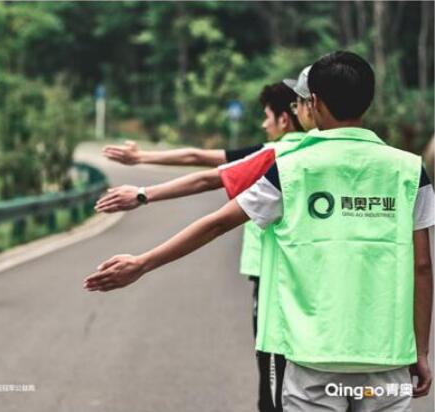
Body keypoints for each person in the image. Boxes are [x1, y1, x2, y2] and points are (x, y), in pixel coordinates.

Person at [85, 51, 433, 411]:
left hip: (312, 356)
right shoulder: (410, 170)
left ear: (314, 103)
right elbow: (422, 266)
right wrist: (420, 350)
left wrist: (143, 262)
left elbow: (217, 222)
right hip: (386, 358)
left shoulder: (290, 168)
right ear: (369, 100)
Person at [98, 79, 314, 411]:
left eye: (267, 116)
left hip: (277, 282)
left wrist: (142, 192)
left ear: (290, 116)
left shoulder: (278, 156)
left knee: (275, 385)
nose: (263, 124)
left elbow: (206, 179)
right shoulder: (379, 161)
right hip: (327, 297)